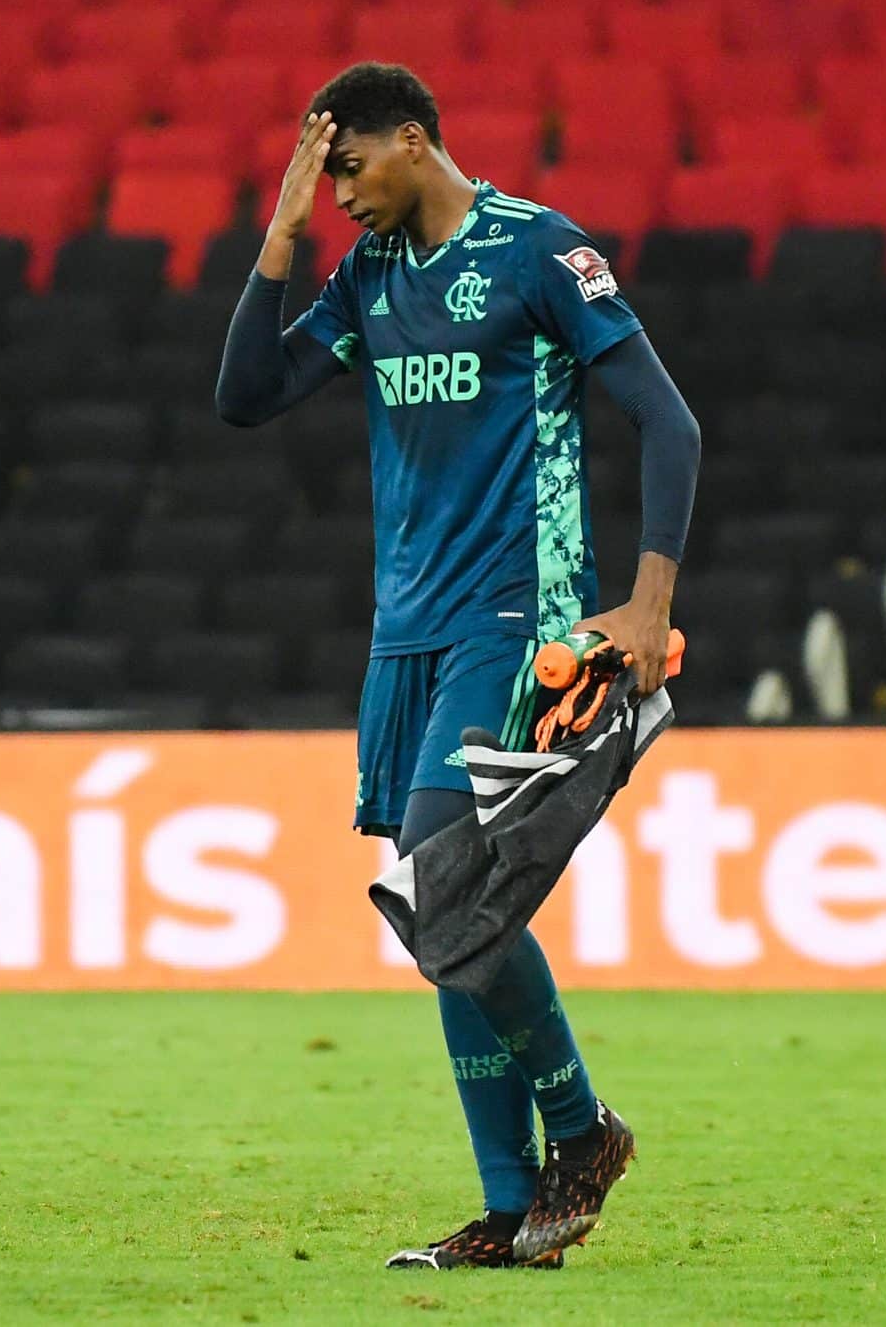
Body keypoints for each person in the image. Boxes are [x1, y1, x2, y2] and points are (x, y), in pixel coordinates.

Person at [214, 62, 700, 1270]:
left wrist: (647, 604)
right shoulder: (364, 275)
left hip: (512, 615)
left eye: (348, 168)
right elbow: (246, 396)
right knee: (445, 919)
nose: (338, 195)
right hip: (406, 634)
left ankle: (579, 1131)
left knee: (441, 880)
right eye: (322, 180)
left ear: (413, 140)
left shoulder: (537, 252)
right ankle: (510, 1204)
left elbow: (668, 420)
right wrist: (279, 238)